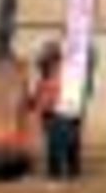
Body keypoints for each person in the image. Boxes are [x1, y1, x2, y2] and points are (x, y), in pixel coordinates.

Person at [29, 41, 82, 180]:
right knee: (67, 147)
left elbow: (47, 96)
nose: (41, 64)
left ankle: (60, 174)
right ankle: (68, 172)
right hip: (63, 114)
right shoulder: (51, 75)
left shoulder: (58, 75)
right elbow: (40, 95)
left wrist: (37, 104)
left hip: (59, 115)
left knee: (58, 148)